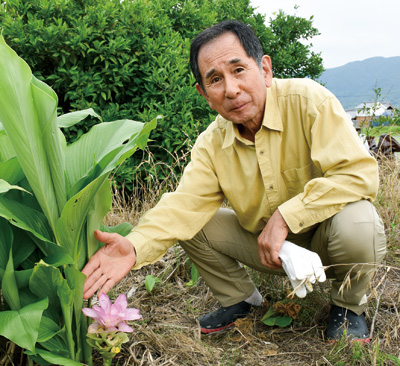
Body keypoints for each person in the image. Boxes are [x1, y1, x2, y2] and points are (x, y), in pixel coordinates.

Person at [82, 20, 386, 342]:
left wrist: (286, 216)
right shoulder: (211, 144)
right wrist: (133, 244)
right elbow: (184, 206)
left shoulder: (309, 101)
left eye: (238, 69)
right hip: (268, 251)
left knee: (359, 221)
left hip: (329, 236)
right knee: (191, 222)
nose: (231, 89)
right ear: (204, 94)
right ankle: (242, 301)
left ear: (265, 69)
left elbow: (358, 174)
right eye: (215, 79)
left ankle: (348, 306)